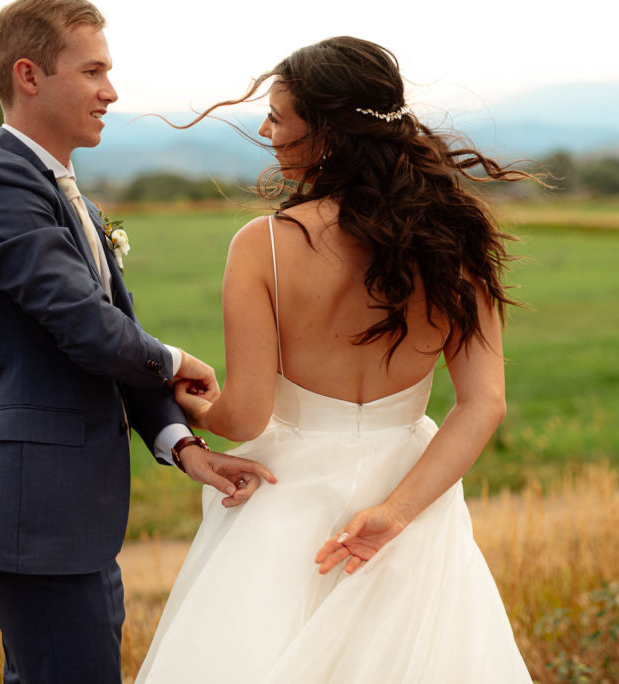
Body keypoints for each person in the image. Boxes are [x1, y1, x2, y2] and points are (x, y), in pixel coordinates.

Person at [0, 1, 274, 682]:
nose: (110, 91)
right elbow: (87, 329)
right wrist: (178, 361)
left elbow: (103, 335)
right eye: (93, 71)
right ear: (29, 74)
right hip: (35, 510)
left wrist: (183, 445)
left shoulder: (63, 192)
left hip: (62, 515)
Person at [135, 36, 535, 682]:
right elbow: (483, 403)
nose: (265, 131)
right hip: (409, 497)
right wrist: (397, 513)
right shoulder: (452, 240)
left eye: (278, 117)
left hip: (285, 498)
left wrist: (188, 399)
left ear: (327, 133)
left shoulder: (263, 246)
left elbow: (243, 416)